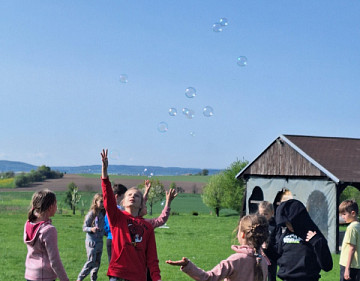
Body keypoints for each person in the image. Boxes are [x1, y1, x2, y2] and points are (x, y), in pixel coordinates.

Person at [101, 149, 162, 281]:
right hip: (118, 274)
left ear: (142, 204)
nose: (133, 196)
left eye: (137, 196)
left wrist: (156, 278)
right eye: (129, 194)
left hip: (138, 277)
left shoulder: (147, 227)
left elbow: (152, 258)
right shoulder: (117, 217)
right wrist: (105, 174)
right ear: (123, 201)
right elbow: (108, 199)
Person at [166, 214, 270, 281]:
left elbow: (208, 278)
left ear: (242, 234)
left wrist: (188, 265)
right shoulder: (264, 262)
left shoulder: (235, 260)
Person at [275, 199, 333, 281]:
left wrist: (317, 243)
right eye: (286, 224)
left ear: (299, 219)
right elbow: (276, 255)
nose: (289, 227)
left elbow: (327, 266)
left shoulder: (314, 235)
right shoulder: (285, 235)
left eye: (291, 223)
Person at [24, 189, 69, 281]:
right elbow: (55, 261)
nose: (56, 207)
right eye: (56, 204)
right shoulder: (49, 230)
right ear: (50, 207)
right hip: (44, 277)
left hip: (30, 275)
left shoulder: (28, 224)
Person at [77, 193, 106, 281]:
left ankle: (93, 279)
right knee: (91, 261)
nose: (103, 204)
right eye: (101, 201)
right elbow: (84, 228)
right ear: (95, 202)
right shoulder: (91, 214)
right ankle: (79, 278)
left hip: (100, 241)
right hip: (92, 242)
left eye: (104, 202)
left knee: (97, 263)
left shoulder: (103, 213)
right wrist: (91, 229)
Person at [104, 183, 128, 262]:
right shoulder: (117, 210)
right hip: (115, 239)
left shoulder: (111, 211)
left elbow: (105, 227)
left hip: (111, 238)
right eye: (124, 197)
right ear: (117, 197)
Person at [339, 199, 360, 281]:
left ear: (353, 213)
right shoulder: (358, 226)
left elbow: (352, 248)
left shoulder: (351, 228)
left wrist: (347, 269)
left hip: (349, 265)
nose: (342, 217)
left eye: (344, 214)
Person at [258, 201, 277, 281]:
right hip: (259, 254)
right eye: (261, 214)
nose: (263, 216)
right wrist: (260, 245)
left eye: (266, 214)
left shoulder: (275, 225)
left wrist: (268, 243)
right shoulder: (258, 224)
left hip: (271, 255)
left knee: (271, 276)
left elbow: (277, 239)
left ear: (272, 213)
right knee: (259, 275)